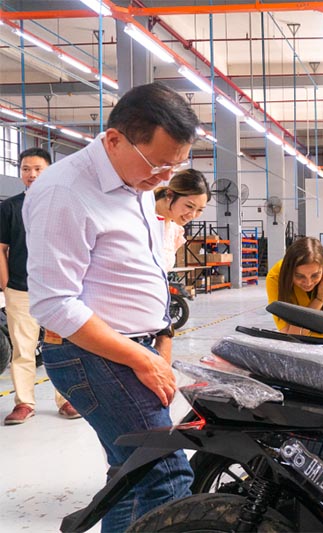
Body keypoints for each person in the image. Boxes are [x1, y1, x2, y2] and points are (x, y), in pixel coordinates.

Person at [22, 82, 199, 532]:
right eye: (159, 165)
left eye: (174, 167)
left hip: (129, 349)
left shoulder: (134, 180)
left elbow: (142, 270)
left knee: (129, 475)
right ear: (115, 138)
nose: (164, 179)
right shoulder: (65, 192)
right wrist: (140, 357)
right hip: (92, 355)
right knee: (166, 474)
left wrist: (160, 339)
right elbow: (55, 304)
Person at [1, 148, 80, 424]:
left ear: (49, 170)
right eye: (25, 169)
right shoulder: (9, 207)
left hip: (57, 291)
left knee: (59, 348)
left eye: (37, 168)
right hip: (21, 290)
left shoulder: (64, 204)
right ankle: (24, 403)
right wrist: (6, 285)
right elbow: (1, 248)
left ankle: (67, 398)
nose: (31, 174)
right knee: (23, 349)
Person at [154, 169, 210, 271]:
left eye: (200, 210)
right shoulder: (141, 218)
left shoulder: (175, 232)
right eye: (189, 206)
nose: (192, 215)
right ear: (170, 195)